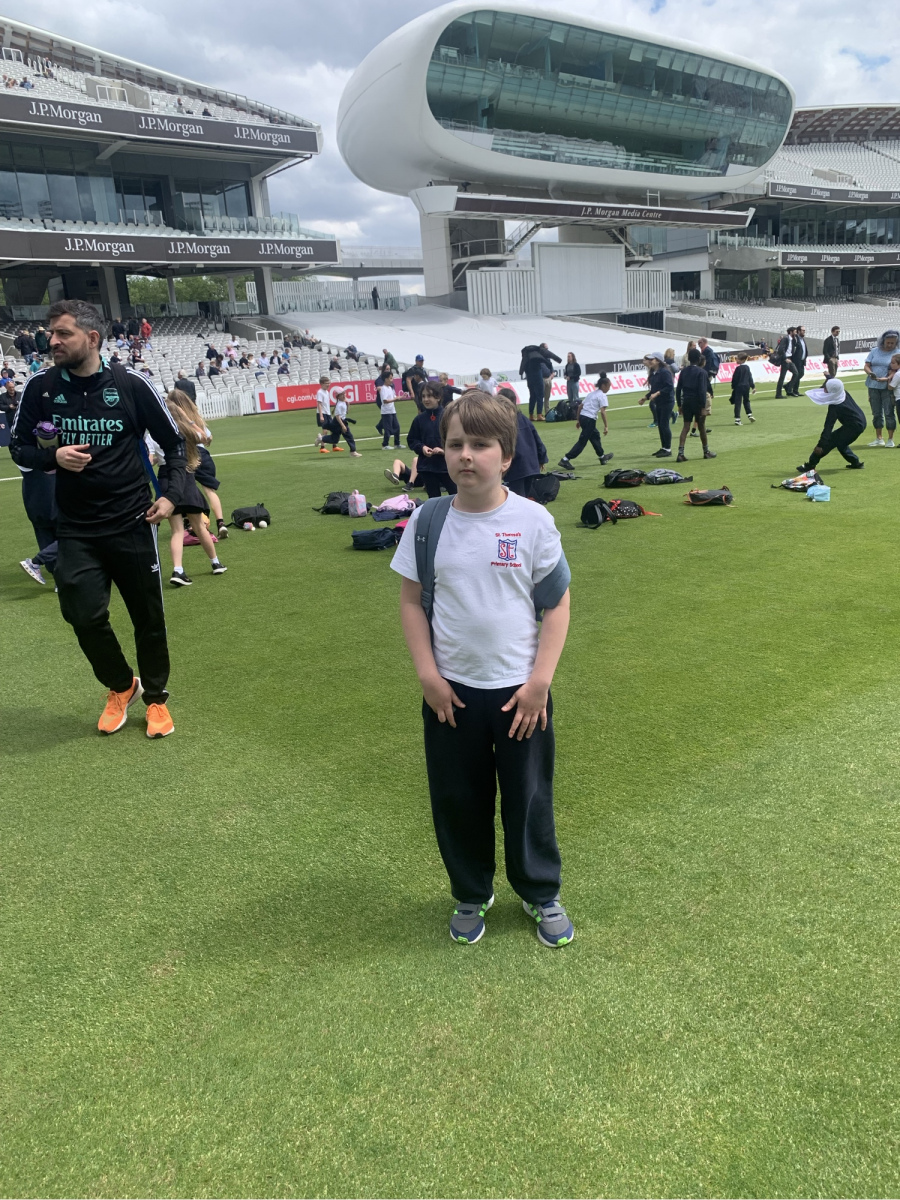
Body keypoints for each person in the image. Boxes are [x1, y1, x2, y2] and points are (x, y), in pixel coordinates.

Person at [391, 391, 574, 948]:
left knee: (528, 798)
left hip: (522, 694)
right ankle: (472, 891)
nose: (465, 455)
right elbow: (410, 602)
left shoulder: (533, 520)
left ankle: (540, 891)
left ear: (507, 454)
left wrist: (540, 682)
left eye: (480, 444)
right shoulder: (427, 520)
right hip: (451, 694)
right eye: (455, 445)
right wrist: (428, 676)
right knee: (458, 798)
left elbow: (557, 604)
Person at [9, 298, 186, 738]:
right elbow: (19, 448)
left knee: (148, 618)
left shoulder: (131, 384)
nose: (52, 341)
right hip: (75, 527)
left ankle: (156, 699)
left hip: (133, 522)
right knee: (82, 616)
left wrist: (170, 496)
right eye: (51, 332)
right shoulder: (41, 387)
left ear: (91, 338)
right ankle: (122, 685)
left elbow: (175, 447)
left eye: (62, 333)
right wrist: (52, 456)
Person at [147, 390, 227, 586]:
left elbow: (150, 460)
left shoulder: (152, 434)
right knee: (199, 526)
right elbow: (205, 437)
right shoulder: (184, 431)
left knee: (177, 530)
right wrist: (187, 419)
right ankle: (215, 563)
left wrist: (155, 461)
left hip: (166, 477)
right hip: (185, 476)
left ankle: (178, 570)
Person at [796, 377, 866, 472]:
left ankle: (810, 465)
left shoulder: (835, 406)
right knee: (841, 442)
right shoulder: (842, 392)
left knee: (830, 441)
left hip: (854, 426)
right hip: (860, 421)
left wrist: (820, 445)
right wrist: (829, 376)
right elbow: (836, 385)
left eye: (826, 388)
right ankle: (855, 462)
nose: (824, 389)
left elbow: (828, 426)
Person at [406, 383, 456, 498]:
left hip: (447, 466)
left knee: (456, 497)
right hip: (427, 467)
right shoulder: (419, 419)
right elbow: (412, 439)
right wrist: (422, 447)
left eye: (429, 396)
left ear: (438, 397)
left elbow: (458, 440)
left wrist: (444, 451)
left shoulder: (448, 417)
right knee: (433, 500)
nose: (426, 399)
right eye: (423, 396)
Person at [498, 384, 548, 495]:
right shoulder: (523, 418)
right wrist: (542, 458)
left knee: (518, 497)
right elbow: (537, 439)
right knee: (524, 495)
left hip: (516, 466)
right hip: (530, 464)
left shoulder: (504, 422)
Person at [558, 374, 613, 470]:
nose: (609, 388)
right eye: (609, 386)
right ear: (603, 386)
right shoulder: (602, 395)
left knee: (595, 435)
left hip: (583, 417)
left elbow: (580, 407)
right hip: (589, 419)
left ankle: (602, 456)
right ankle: (565, 459)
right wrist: (606, 426)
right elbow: (603, 412)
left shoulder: (591, 394)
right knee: (582, 442)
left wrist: (578, 420)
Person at [675, 348, 716, 462]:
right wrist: (703, 406)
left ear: (688, 358)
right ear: (699, 359)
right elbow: (702, 391)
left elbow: (678, 389)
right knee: (701, 426)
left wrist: (679, 404)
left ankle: (680, 453)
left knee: (686, 427)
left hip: (686, 401)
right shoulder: (702, 372)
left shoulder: (684, 371)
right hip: (697, 402)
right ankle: (706, 452)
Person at [864, 330, 900, 448]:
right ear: (883, 341)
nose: (890, 345)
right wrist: (870, 373)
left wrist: (887, 378)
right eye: (888, 342)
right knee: (876, 412)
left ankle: (890, 439)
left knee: (889, 412)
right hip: (873, 386)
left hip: (887, 387)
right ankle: (879, 438)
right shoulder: (874, 351)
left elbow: (896, 370)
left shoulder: (897, 352)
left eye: (892, 343)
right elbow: (867, 365)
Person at [640, 352, 676, 456]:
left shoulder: (664, 372)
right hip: (659, 401)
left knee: (664, 424)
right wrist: (645, 397)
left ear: (658, 361)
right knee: (660, 425)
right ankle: (664, 447)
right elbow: (653, 389)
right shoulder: (653, 373)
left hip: (667, 401)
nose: (650, 361)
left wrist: (658, 393)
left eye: (652, 360)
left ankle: (668, 449)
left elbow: (669, 387)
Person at [519, 343, 560, 422]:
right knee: (540, 395)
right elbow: (549, 357)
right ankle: (539, 415)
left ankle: (531, 415)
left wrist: (521, 372)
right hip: (537, 374)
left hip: (529, 376)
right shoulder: (538, 353)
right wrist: (556, 361)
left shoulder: (526, 355)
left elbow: (522, 367)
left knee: (532, 396)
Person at [325, 389, 362, 456]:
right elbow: (337, 417)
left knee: (336, 439)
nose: (344, 395)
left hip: (341, 421)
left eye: (344, 394)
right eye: (342, 394)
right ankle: (353, 451)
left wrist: (348, 404)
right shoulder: (339, 405)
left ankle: (321, 438)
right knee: (347, 436)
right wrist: (343, 426)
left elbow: (346, 412)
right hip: (338, 422)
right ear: (338, 397)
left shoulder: (343, 402)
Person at [774, 327, 801, 398]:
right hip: (785, 360)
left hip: (789, 359)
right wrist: (785, 358)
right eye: (795, 332)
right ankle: (778, 394)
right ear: (791, 332)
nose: (796, 333)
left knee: (796, 373)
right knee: (782, 377)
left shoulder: (793, 339)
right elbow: (781, 349)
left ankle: (789, 390)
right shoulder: (786, 339)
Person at [730, 353, 756, 425]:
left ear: (743, 360)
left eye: (738, 359)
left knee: (738, 402)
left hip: (739, 387)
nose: (736, 360)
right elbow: (750, 377)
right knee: (746, 400)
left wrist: (733, 386)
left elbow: (735, 378)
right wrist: (753, 386)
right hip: (746, 386)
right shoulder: (747, 367)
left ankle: (737, 419)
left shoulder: (738, 368)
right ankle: (749, 414)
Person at [379, 370, 401, 449]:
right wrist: (395, 399)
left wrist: (401, 397)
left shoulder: (390, 388)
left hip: (392, 410)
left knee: (397, 427)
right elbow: (385, 401)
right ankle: (385, 444)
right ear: (386, 379)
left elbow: (394, 397)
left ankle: (397, 443)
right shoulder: (383, 389)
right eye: (390, 378)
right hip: (386, 412)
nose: (392, 380)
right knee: (387, 429)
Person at [314, 375, 334, 453]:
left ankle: (334, 445)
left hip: (327, 413)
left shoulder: (327, 392)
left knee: (333, 429)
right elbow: (319, 404)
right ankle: (322, 447)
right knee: (325, 431)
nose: (328, 385)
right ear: (322, 384)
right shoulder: (320, 392)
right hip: (322, 413)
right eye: (326, 383)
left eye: (329, 383)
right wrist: (321, 416)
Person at [791, 325, 808, 395]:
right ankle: (792, 389)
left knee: (800, 374)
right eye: (803, 330)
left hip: (802, 360)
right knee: (798, 374)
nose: (804, 332)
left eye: (804, 330)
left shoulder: (802, 339)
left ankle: (793, 389)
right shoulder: (795, 339)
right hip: (796, 360)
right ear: (798, 331)